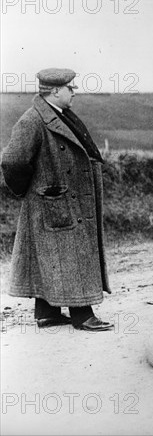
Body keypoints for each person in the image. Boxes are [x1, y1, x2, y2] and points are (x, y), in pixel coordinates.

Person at [1, 68, 113, 331]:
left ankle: (47, 313)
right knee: (71, 255)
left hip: (59, 202)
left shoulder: (56, 115)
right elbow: (12, 161)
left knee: (54, 256)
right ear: (54, 91)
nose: (73, 92)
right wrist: (32, 190)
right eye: (69, 88)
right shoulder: (34, 120)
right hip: (54, 202)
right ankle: (83, 314)